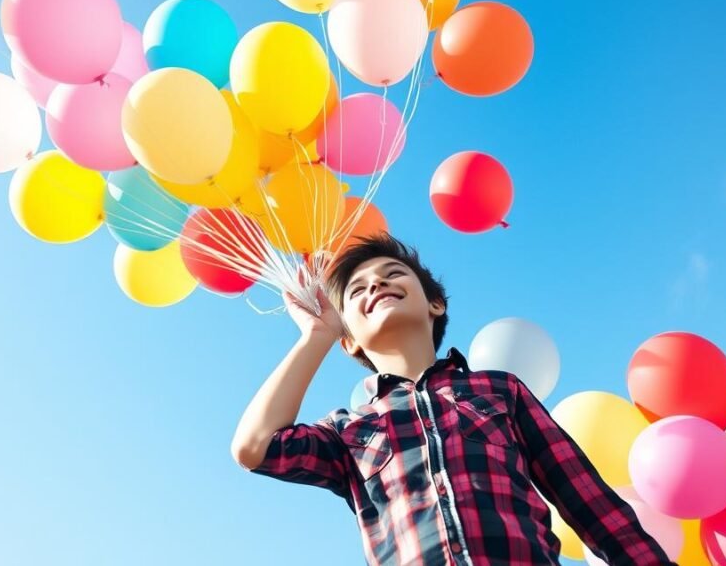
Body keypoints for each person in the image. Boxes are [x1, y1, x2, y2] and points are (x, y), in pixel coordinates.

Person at [231, 233, 676, 566]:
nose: (375, 286)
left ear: (435, 305)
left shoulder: (500, 390)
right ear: (349, 341)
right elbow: (255, 447)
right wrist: (317, 335)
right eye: (357, 290)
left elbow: (590, 502)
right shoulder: (347, 431)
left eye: (392, 275)